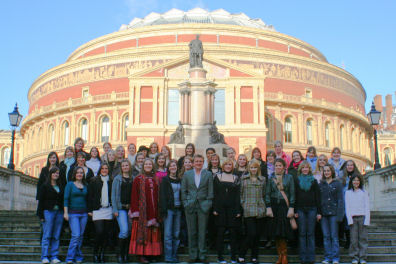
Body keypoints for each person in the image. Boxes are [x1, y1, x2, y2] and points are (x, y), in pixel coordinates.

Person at [181, 154, 213, 263]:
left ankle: (202, 255)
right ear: (193, 163)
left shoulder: (208, 174)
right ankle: (193, 255)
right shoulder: (187, 174)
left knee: (202, 232)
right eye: (196, 161)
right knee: (192, 232)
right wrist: (185, 203)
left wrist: (208, 204)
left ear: (203, 162)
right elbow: (183, 191)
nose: (198, 163)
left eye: (200, 161)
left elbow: (210, 192)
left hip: (203, 206)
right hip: (190, 206)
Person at [129, 158, 162, 263]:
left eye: (150, 164)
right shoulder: (138, 179)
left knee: (153, 232)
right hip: (142, 211)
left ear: (153, 166)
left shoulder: (156, 179)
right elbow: (134, 196)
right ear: (143, 166)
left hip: (154, 210)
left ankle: (152, 254)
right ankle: (141, 255)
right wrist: (136, 211)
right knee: (143, 232)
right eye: (146, 164)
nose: (148, 165)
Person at [266, 158, 295, 264]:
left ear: (284, 167)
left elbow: (292, 193)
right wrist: (268, 206)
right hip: (274, 206)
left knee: (283, 233)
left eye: (280, 165)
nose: (278, 167)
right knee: (276, 233)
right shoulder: (271, 178)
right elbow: (267, 193)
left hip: (284, 206)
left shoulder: (289, 177)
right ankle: (279, 255)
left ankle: (284, 255)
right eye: (276, 165)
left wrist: (291, 207)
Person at [213, 159, 241, 264]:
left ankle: (233, 257)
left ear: (232, 166)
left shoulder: (236, 178)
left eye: (230, 164)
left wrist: (238, 210)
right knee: (220, 233)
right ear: (223, 166)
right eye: (226, 164)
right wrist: (215, 208)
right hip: (220, 210)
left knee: (233, 234)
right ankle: (220, 257)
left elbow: (238, 196)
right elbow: (215, 194)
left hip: (233, 209)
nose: (228, 166)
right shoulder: (217, 177)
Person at [238, 160, 266, 264]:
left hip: (260, 209)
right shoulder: (244, 179)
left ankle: (254, 256)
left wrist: (263, 206)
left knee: (257, 235)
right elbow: (240, 194)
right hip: (248, 209)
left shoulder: (263, 180)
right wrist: (243, 204)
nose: (253, 169)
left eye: (255, 167)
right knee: (251, 233)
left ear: (258, 169)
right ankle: (241, 254)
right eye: (251, 167)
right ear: (249, 169)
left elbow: (264, 194)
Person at [294, 161, 321, 264]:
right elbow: (295, 196)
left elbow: (318, 197)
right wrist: (295, 210)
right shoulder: (297, 181)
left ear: (309, 169)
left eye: (307, 168)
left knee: (310, 233)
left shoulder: (314, 181)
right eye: (303, 168)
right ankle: (303, 257)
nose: (305, 169)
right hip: (300, 209)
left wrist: (319, 212)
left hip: (312, 209)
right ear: (300, 169)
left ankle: (311, 257)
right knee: (302, 233)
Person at [37, 167, 64, 264]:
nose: (56, 174)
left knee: (56, 236)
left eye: (57, 173)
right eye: (54, 173)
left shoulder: (60, 186)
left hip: (59, 213)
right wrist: (40, 215)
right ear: (50, 174)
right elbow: (41, 202)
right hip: (48, 212)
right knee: (47, 235)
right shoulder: (44, 186)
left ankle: (54, 256)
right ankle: (44, 256)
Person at [87, 163, 113, 263]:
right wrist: (89, 210)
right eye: (103, 168)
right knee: (99, 232)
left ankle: (102, 253)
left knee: (106, 233)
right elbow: (90, 196)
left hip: (108, 209)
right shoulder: (94, 180)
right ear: (100, 169)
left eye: (106, 168)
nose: (104, 170)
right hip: (97, 209)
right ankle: (95, 253)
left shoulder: (111, 181)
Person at [319, 164, 344, 264]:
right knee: (326, 236)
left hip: (334, 213)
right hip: (324, 213)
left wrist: (340, 215)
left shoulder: (337, 184)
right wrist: (319, 213)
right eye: (325, 171)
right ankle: (327, 257)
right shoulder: (320, 184)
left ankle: (335, 258)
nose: (326, 172)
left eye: (328, 170)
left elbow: (340, 200)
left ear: (332, 172)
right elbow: (319, 200)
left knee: (334, 236)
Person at [64, 166, 89, 264]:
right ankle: (69, 258)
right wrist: (65, 212)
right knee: (76, 235)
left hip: (84, 214)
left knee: (81, 236)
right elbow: (66, 199)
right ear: (74, 174)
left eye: (81, 173)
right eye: (78, 172)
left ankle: (78, 256)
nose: (80, 174)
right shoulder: (70, 184)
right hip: (73, 213)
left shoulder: (85, 185)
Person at [160, 159, 182, 263]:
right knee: (168, 234)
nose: (173, 167)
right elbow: (162, 196)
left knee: (176, 234)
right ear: (168, 168)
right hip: (169, 210)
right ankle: (168, 257)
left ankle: (174, 255)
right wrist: (163, 210)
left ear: (177, 168)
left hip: (178, 209)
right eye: (171, 166)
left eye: (175, 166)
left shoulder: (179, 179)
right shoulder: (165, 180)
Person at [112, 159, 133, 263]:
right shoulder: (117, 179)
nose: (125, 167)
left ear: (129, 167)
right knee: (124, 231)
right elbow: (113, 195)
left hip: (131, 209)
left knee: (129, 232)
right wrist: (115, 209)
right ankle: (119, 254)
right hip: (121, 209)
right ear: (121, 167)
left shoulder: (133, 178)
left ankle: (125, 254)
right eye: (123, 166)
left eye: (127, 165)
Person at [345, 174, 370, 264]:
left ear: (360, 182)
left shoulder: (364, 192)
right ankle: (354, 257)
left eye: (357, 180)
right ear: (351, 182)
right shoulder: (348, 192)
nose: (356, 182)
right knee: (353, 239)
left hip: (362, 217)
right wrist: (349, 219)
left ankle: (363, 257)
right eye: (354, 180)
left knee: (363, 238)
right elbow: (347, 207)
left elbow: (367, 206)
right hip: (353, 218)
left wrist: (367, 220)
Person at [340, 160, 362, 250]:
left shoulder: (358, 176)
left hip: (355, 202)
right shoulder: (342, 177)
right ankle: (348, 240)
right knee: (346, 222)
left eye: (351, 165)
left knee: (354, 222)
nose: (349, 167)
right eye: (348, 165)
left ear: (354, 166)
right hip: (344, 201)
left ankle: (355, 242)